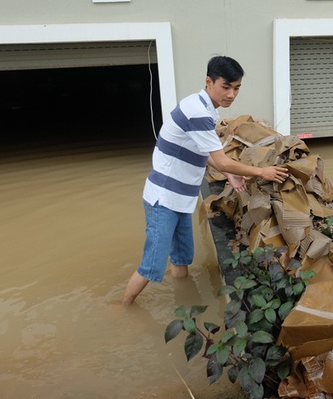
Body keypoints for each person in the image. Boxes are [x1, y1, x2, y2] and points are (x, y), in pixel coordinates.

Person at [122, 56, 288, 306]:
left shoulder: (202, 107)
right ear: (209, 81)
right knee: (152, 266)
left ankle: (183, 300)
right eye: (226, 86)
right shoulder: (198, 112)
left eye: (237, 88)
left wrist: (231, 174)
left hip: (181, 198)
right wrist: (262, 172)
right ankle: (123, 307)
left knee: (181, 258)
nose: (232, 94)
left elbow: (202, 152)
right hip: (164, 199)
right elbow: (221, 161)